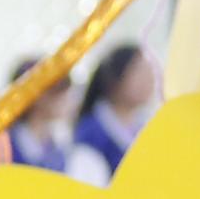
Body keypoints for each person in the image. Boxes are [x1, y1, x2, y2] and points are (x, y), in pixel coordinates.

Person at [66, 40, 155, 185]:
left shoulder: (147, 128)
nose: (149, 80)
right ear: (115, 79)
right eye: (140, 72)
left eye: (150, 72)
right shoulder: (91, 135)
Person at [5, 54, 81, 173]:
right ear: (36, 96)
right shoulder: (6, 145)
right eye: (58, 91)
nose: (68, 99)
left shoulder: (59, 146)